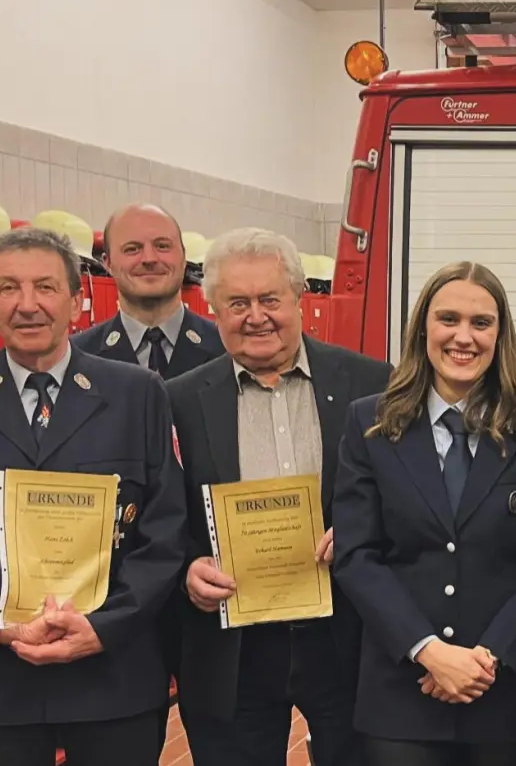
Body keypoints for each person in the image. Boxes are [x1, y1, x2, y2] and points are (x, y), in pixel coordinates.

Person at [0, 227, 186, 766]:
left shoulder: (138, 395)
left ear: (77, 301)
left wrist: (103, 627)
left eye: (46, 288)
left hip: (114, 679)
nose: (27, 305)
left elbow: (165, 534)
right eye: (8, 288)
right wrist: (1, 625)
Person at [332, 261, 516, 766]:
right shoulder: (369, 423)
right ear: (423, 328)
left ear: (500, 335)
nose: (463, 337)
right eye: (448, 319)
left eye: (481, 323)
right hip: (402, 689)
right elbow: (357, 555)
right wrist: (428, 650)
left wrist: (487, 657)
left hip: (505, 689)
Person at [169, 228, 392, 766]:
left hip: (346, 635)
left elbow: (406, 497)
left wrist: (365, 533)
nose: (256, 316)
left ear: (299, 299)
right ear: (212, 309)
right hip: (234, 648)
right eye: (237, 303)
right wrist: (186, 569)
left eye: (270, 299)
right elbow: (161, 513)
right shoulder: (177, 400)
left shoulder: (373, 384)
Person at [73, 203, 225, 378]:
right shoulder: (77, 358)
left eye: (162, 246)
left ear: (183, 256)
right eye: (132, 249)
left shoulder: (227, 348)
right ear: (107, 263)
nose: (149, 259)